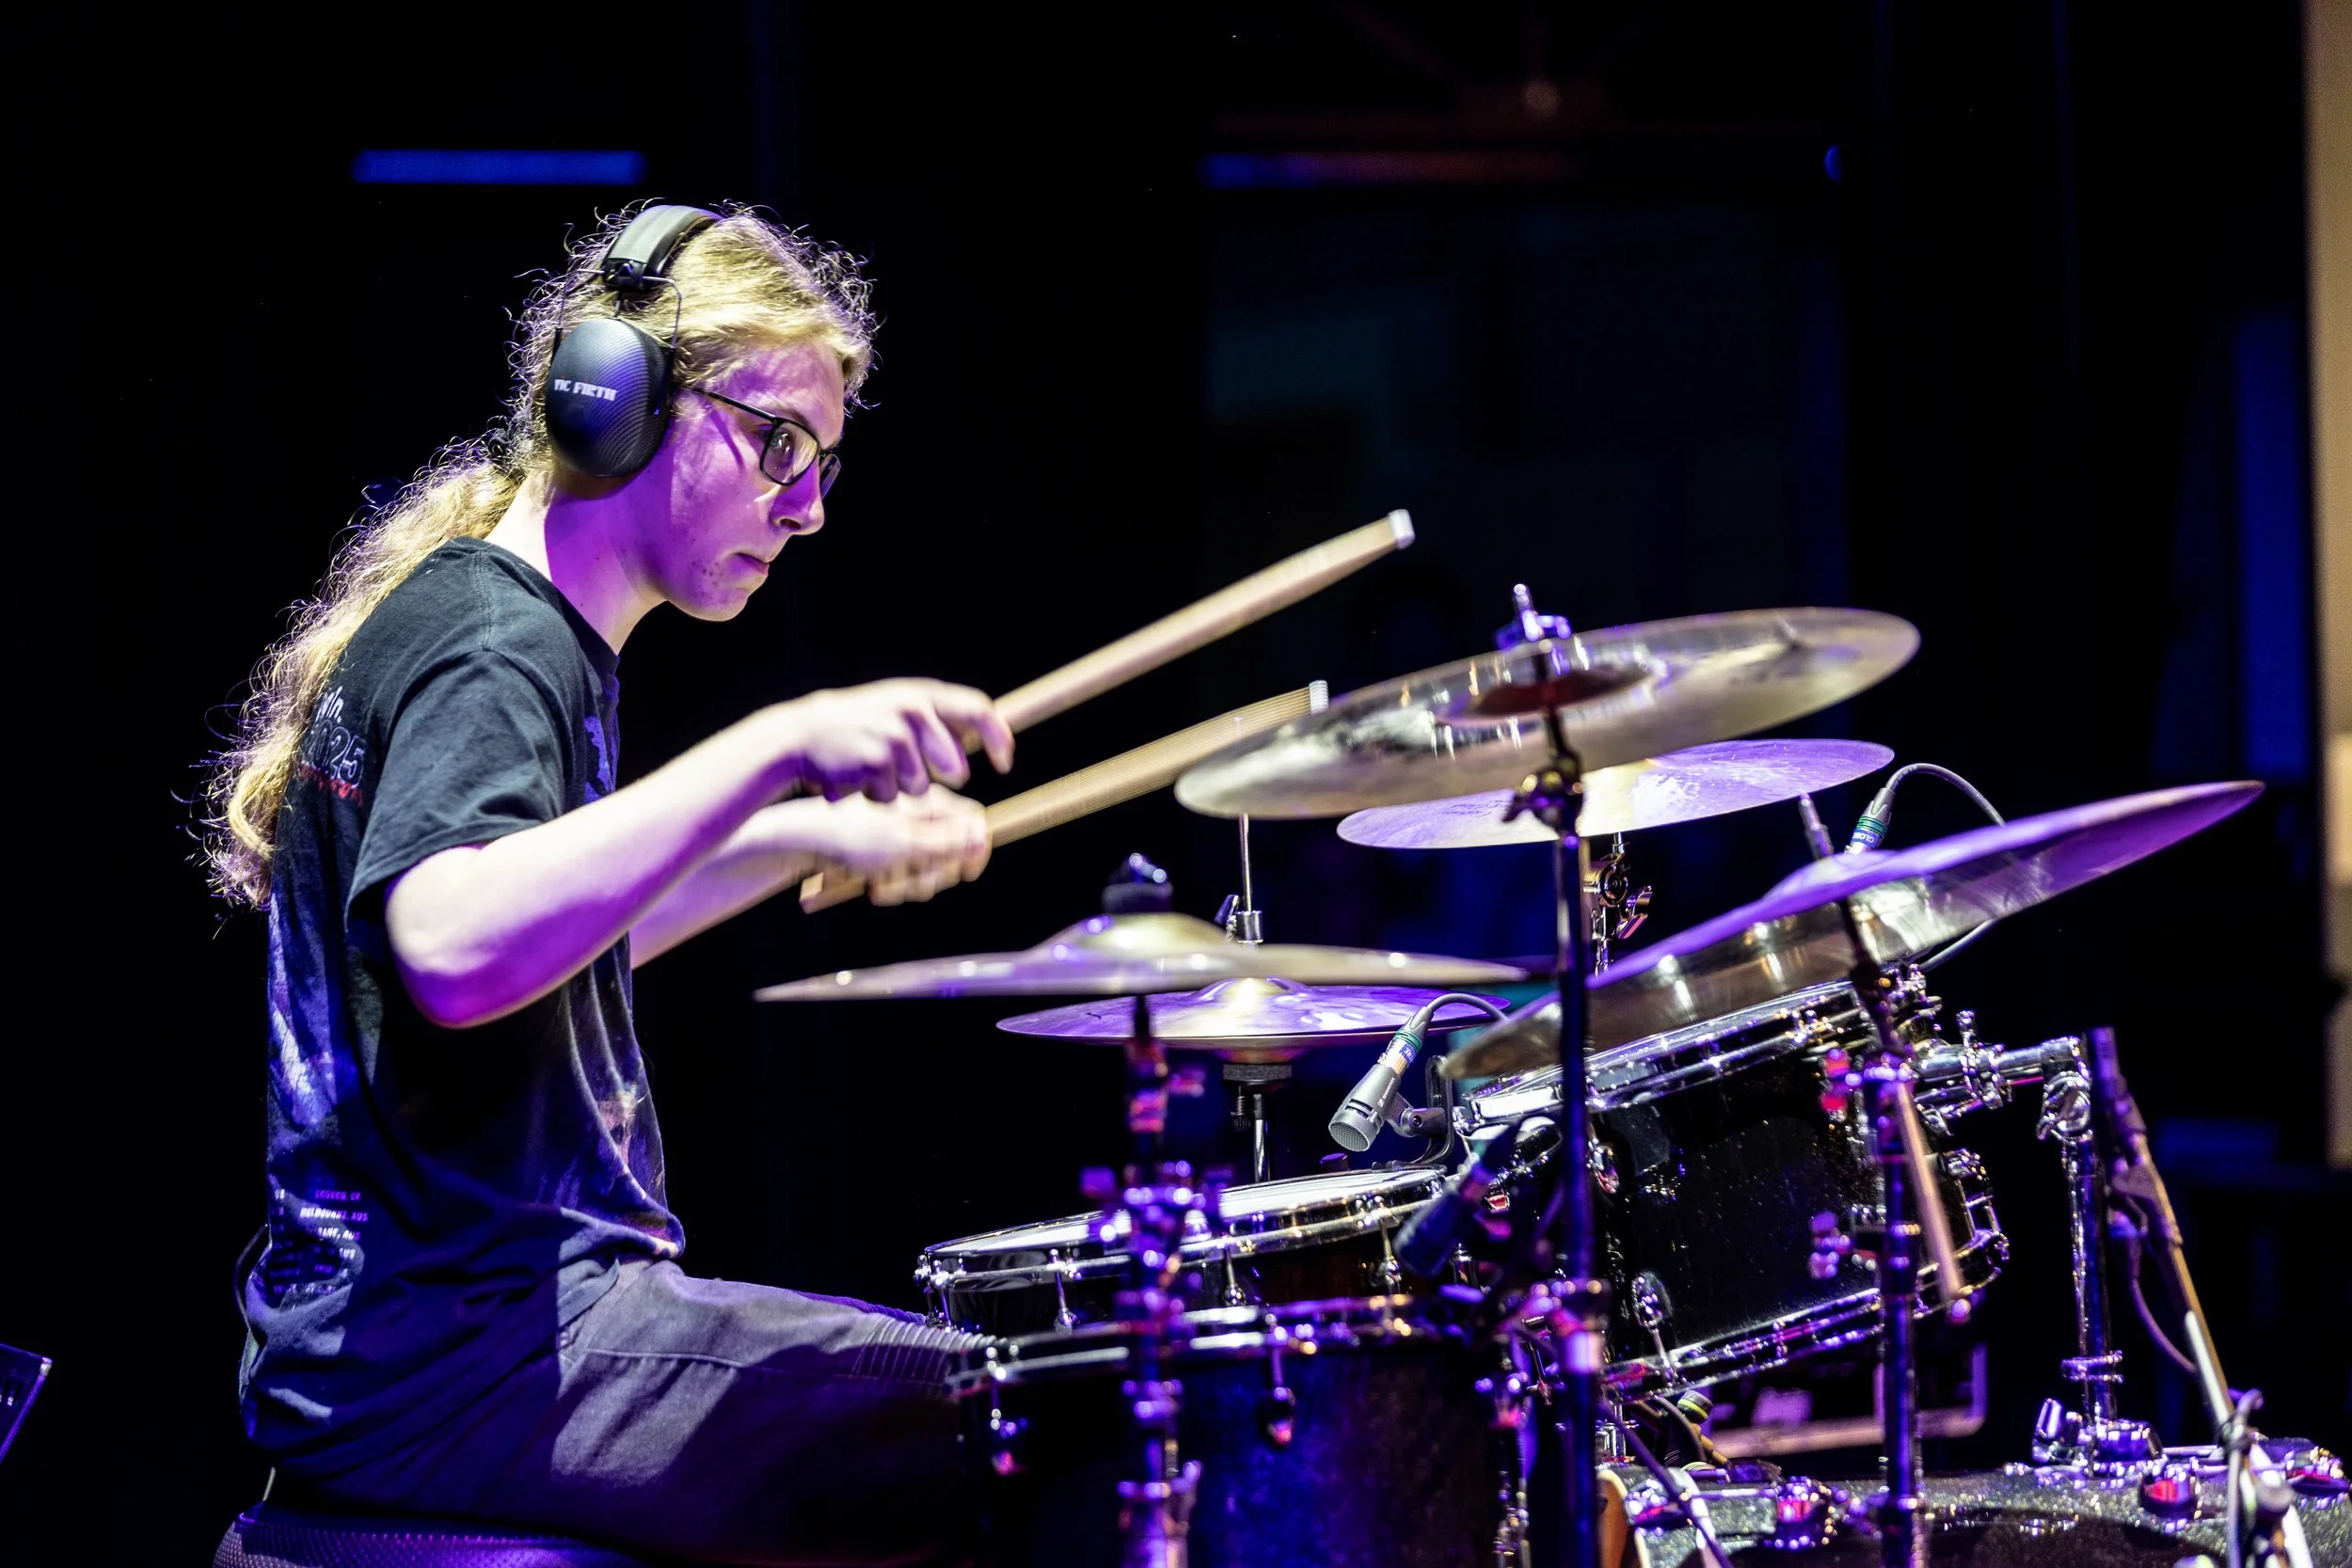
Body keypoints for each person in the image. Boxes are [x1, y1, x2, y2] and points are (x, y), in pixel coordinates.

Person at [203, 203, 1011, 1565]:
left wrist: (796, 841)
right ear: (619, 398)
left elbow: (548, 947)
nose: (806, 509)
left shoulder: (515, 634)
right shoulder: (492, 647)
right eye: (778, 445)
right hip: (473, 1356)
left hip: (433, 1355)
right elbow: (453, 950)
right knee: (1018, 1414)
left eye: (823, 465)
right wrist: (777, 746)